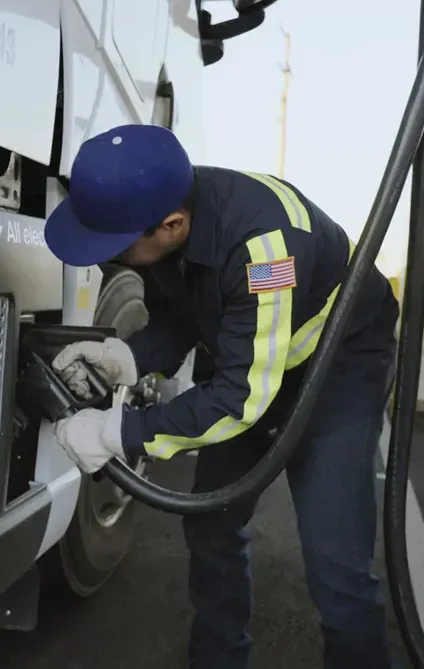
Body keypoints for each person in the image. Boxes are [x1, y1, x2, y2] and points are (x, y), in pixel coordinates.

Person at [43, 124, 400, 669]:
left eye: (116, 246)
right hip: (250, 351)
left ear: (173, 225)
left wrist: (119, 433)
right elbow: (184, 310)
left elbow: (239, 402)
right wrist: (131, 356)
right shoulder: (167, 211)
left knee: (336, 564)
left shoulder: (264, 252)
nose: (109, 258)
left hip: (337, 370)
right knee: (211, 523)